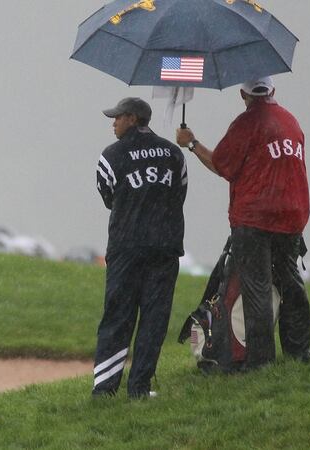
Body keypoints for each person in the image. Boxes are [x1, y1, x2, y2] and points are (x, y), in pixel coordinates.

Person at [176, 76, 310, 369]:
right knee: (291, 282)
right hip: (293, 216)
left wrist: (192, 143)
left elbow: (222, 165)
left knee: (258, 288)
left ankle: (261, 361)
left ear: (243, 94)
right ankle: (299, 352)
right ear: (272, 90)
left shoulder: (246, 123)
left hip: (254, 219)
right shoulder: (291, 121)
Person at [92, 97, 188, 398]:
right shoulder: (173, 154)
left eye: (117, 117)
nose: (114, 123)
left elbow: (108, 197)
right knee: (154, 318)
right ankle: (140, 388)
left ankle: (105, 389)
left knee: (118, 316)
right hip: (165, 248)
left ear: (132, 119)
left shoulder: (111, 155)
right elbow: (179, 194)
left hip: (126, 248)